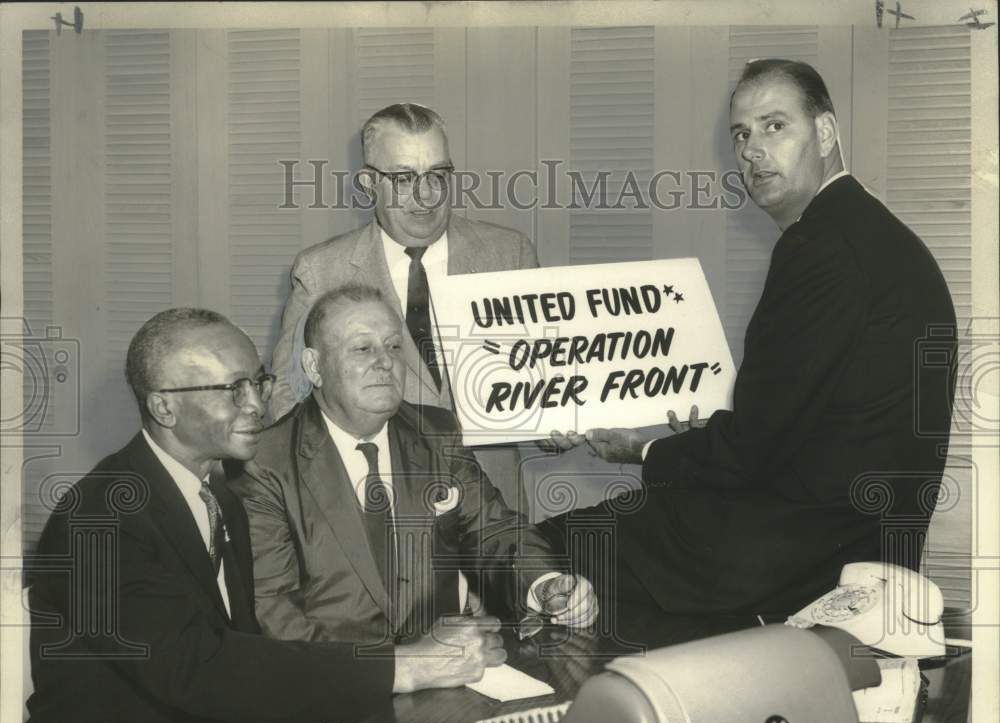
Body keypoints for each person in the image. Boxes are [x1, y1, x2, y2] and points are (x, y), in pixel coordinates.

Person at [22, 308, 512, 723]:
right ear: (164, 408)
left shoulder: (218, 498)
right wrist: (404, 667)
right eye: (233, 389)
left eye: (257, 381)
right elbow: (201, 668)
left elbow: (256, 650)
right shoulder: (99, 518)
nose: (257, 403)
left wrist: (425, 652)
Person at [546, 59, 955, 641]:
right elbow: (803, 422)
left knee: (543, 549)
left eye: (774, 127)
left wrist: (641, 450)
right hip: (863, 539)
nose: (752, 151)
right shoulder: (874, 234)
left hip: (797, 553)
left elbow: (753, 449)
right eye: (742, 134)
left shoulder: (820, 249)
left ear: (826, 133)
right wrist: (696, 440)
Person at [232, 285, 598, 645]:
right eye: (362, 348)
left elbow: (495, 532)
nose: (385, 361)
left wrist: (546, 584)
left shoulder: (436, 432)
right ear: (314, 366)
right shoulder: (265, 462)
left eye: (394, 346)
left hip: (454, 670)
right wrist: (399, 672)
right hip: (334, 682)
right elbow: (275, 610)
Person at [270, 102, 539, 419]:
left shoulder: (510, 254)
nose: (425, 196)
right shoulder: (321, 272)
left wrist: (556, 427)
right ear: (369, 185)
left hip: (489, 470)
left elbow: (546, 380)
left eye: (437, 175)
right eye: (402, 179)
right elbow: (287, 398)